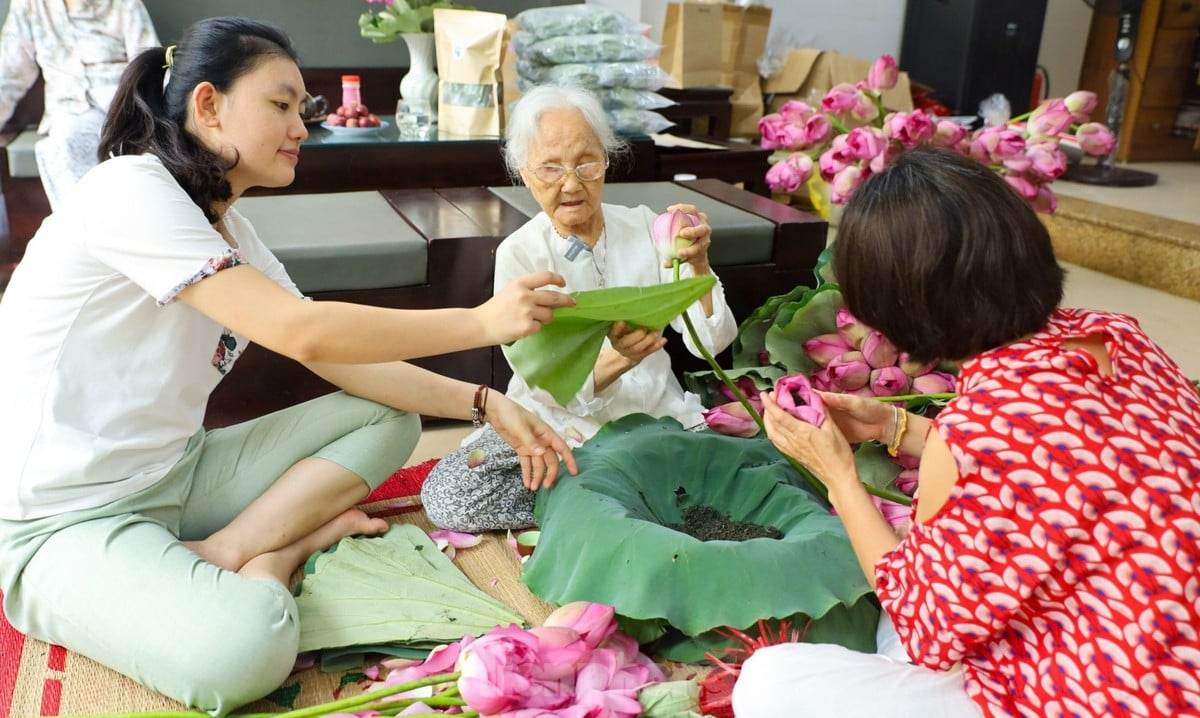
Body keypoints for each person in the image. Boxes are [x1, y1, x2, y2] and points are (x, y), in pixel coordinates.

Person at [0, 17, 578, 715]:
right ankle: (279, 552)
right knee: (244, 651)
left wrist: (483, 402)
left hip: (178, 476)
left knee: (388, 416)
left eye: (302, 109)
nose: (302, 126)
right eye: (280, 105)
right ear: (208, 105)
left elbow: (336, 355)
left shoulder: (229, 228)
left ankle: (227, 549)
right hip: (61, 521)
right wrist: (481, 322)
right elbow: (301, 331)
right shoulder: (126, 189)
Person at [733, 147, 1200, 718]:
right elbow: (1057, 462)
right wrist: (893, 423)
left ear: (901, 310)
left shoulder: (976, 434)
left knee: (772, 683)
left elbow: (927, 631)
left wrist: (837, 474)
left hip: (1102, 690)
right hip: (1166, 648)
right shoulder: (1113, 337)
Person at [421, 84, 737, 532]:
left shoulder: (650, 228)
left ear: (607, 160)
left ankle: (598, 503)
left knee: (737, 471)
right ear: (524, 174)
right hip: (554, 427)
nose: (571, 184)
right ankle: (620, 501)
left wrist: (699, 265)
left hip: (652, 422)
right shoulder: (520, 254)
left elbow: (712, 343)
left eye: (586, 162)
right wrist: (619, 359)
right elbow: (543, 384)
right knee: (449, 495)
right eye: (550, 168)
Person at [0, 0, 160, 208]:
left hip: (124, 104)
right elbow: (10, 73)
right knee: (64, 145)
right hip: (70, 110)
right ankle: (87, 228)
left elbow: (149, 63)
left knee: (139, 146)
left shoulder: (124, 4)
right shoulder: (30, 5)